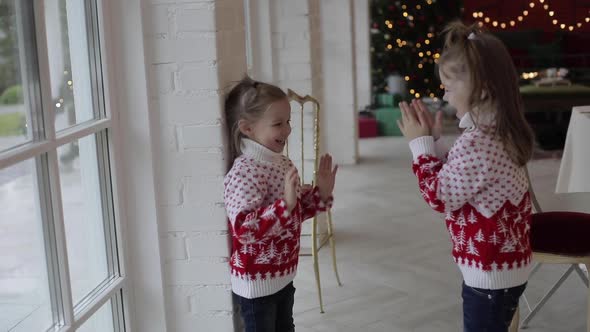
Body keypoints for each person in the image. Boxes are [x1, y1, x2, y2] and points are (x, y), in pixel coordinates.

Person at [397, 21, 535, 332]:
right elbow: (468, 177)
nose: (444, 96)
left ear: (482, 88)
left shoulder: (479, 142)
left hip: (489, 275)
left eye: (448, 87)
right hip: (503, 267)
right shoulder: (494, 130)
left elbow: (439, 195)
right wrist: (436, 144)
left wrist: (419, 147)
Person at [223, 76, 338, 332]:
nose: (287, 130)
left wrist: (320, 194)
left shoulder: (281, 162)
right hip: (256, 285)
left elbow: (293, 215)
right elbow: (244, 230)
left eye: (288, 122)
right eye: (277, 124)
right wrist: (285, 204)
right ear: (247, 128)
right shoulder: (245, 171)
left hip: (283, 275)